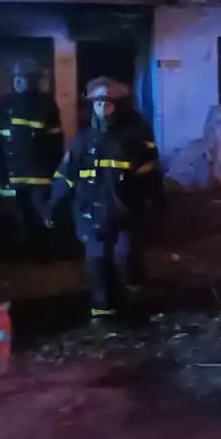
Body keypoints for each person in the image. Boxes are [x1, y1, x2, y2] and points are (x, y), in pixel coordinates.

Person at [44, 77, 164, 326]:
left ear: (118, 106)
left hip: (125, 213)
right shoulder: (83, 140)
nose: (102, 109)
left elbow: (151, 174)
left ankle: (132, 306)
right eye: (98, 104)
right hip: (91, 214)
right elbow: (66, 176)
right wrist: (53, 205)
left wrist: (158, 203)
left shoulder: (134, 138)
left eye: (108, 104)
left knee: (125, 258)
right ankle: (102, 312)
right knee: (97, 262)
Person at [0, 58, 64, 254]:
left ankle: (44, 254)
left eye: (25, 77)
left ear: (35, 80)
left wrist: (56, 173)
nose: (20, 81)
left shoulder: (46, 105)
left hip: (40, 177)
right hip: (13, 175)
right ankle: (23, 254)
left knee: (43, 217)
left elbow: (56, 144)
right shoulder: (3, 106)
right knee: (19, 218)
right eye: (17, 77)